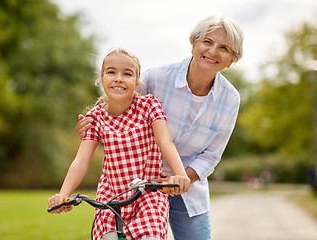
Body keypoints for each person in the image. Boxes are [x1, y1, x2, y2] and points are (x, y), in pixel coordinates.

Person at [76, 16, 244, 240]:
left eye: (224, 48)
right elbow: (121, 108)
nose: (213, 51)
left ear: (231, 59)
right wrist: (93, 123)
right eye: (207, 42)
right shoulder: (156, 78)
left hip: (188, 187)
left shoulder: (230, 99)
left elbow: (211, 156)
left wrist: (179, 179)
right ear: (194, 42)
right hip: (139, 183)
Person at [48, 48, 190, 240]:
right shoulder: (95, 118)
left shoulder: (149, 106)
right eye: (111, 72)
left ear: (137, 83)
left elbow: (166, 142)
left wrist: (180, 175)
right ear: (101, 79)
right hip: (111, 197)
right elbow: (81, 161)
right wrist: (63, 195)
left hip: (148, 194)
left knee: (151, 235)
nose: (118, 78)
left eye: (127, 74)